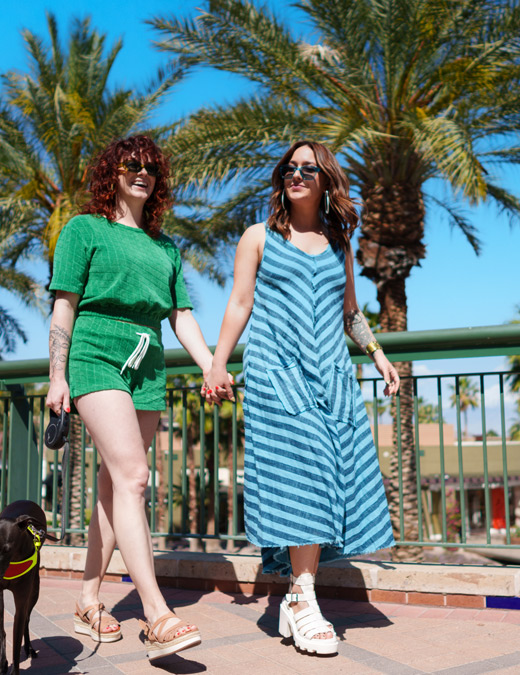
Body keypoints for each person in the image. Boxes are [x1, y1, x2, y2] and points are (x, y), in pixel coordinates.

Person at [204, 140, 400, 655]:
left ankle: (297, 596)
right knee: (304, 475)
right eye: (290, 168)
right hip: (277, 374)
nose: (297, 174)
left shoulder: (340, 241)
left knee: (325, 477)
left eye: (308, 169)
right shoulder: (259, 237)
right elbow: (240, 303)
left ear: (324, 179)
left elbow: (350, 312)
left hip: (330, 377)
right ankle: (304, 598)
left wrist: (377, 354)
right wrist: (217, 361)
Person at [46, 135, 212, 661]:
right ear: (111, 172)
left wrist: (211, 365)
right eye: (131, 165)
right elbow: (64, 307)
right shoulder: (84, 229)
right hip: (95, 352)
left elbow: (180, 316)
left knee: (115, 482)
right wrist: (57, 376)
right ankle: (157, 614)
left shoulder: (165, 247)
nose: (142, 173)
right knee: (135, 477)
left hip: (148, 363)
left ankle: (89, 599)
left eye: (150, 167)